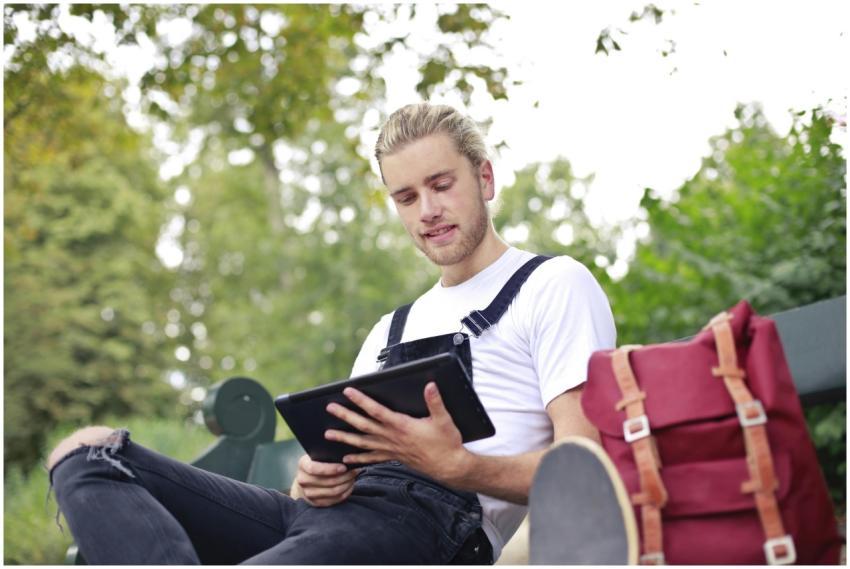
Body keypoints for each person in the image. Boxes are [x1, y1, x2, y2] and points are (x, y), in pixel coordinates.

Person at [47, 102, 616, 564]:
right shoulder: (388, 331)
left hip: (429, 528)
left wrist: (456, 467)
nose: (427, 211)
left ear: (485, 178)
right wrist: (314, 482)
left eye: (441, 184)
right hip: (320, 521)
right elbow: (320, 483)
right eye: (406, 197)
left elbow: (587, 470)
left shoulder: (553, 285)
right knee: (87, 453)